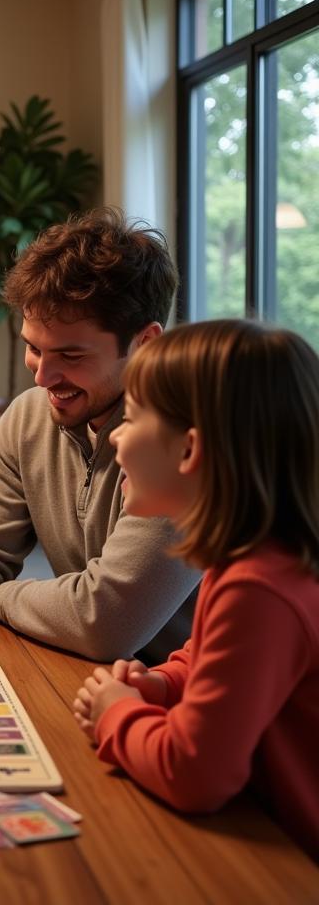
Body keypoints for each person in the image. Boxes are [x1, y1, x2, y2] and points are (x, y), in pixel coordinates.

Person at [0, 208, 200, 668]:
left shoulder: (188, 442)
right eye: (33, 347)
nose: (43, 377)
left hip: (193, 693)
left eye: (70, 354)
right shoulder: (28, 417)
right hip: (93, 673)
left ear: (146, 342)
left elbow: (106, 622)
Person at [72, 320, 319, 859]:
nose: (114, 435)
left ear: (189, 451)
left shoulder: (258, 588)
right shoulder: (249, 560)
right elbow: (206, 659)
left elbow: (194, 773)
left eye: (132, 419)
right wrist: (159, 685)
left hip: (287, 860)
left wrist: (116, 713)